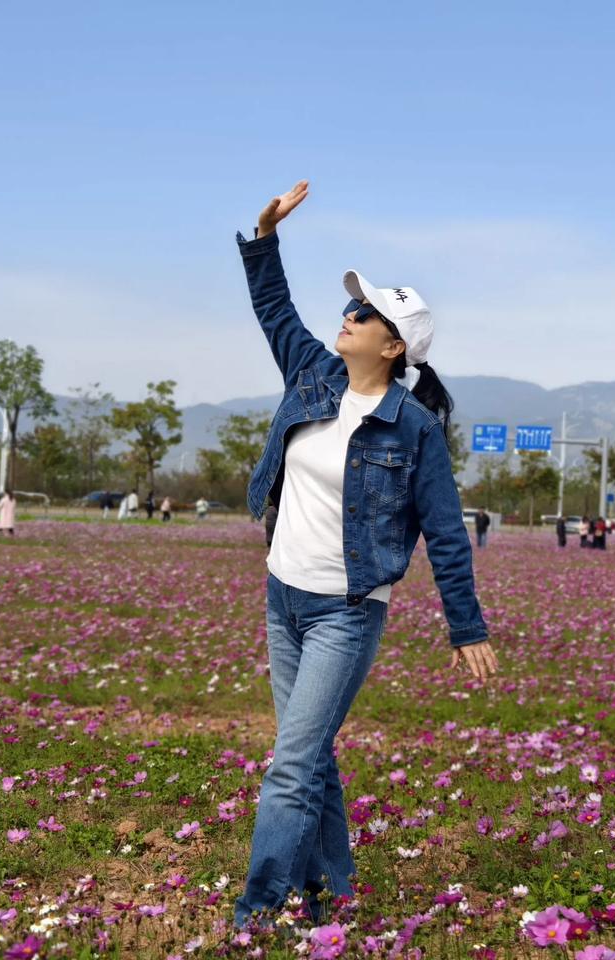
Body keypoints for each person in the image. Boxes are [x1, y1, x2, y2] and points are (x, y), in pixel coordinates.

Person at [231, 180, 497, 929]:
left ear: (393, 346)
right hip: (284, 596)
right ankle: (333, 899)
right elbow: (273, 308)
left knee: (290, 767)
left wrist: (466, 627)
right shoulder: (311, 374)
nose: (346, 317)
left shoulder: (413, 429)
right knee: (309, 757)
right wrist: (264, 235)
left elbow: (446, 533)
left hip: (345, 613)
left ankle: (254, 916)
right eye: (350, 308)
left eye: (364, 313)